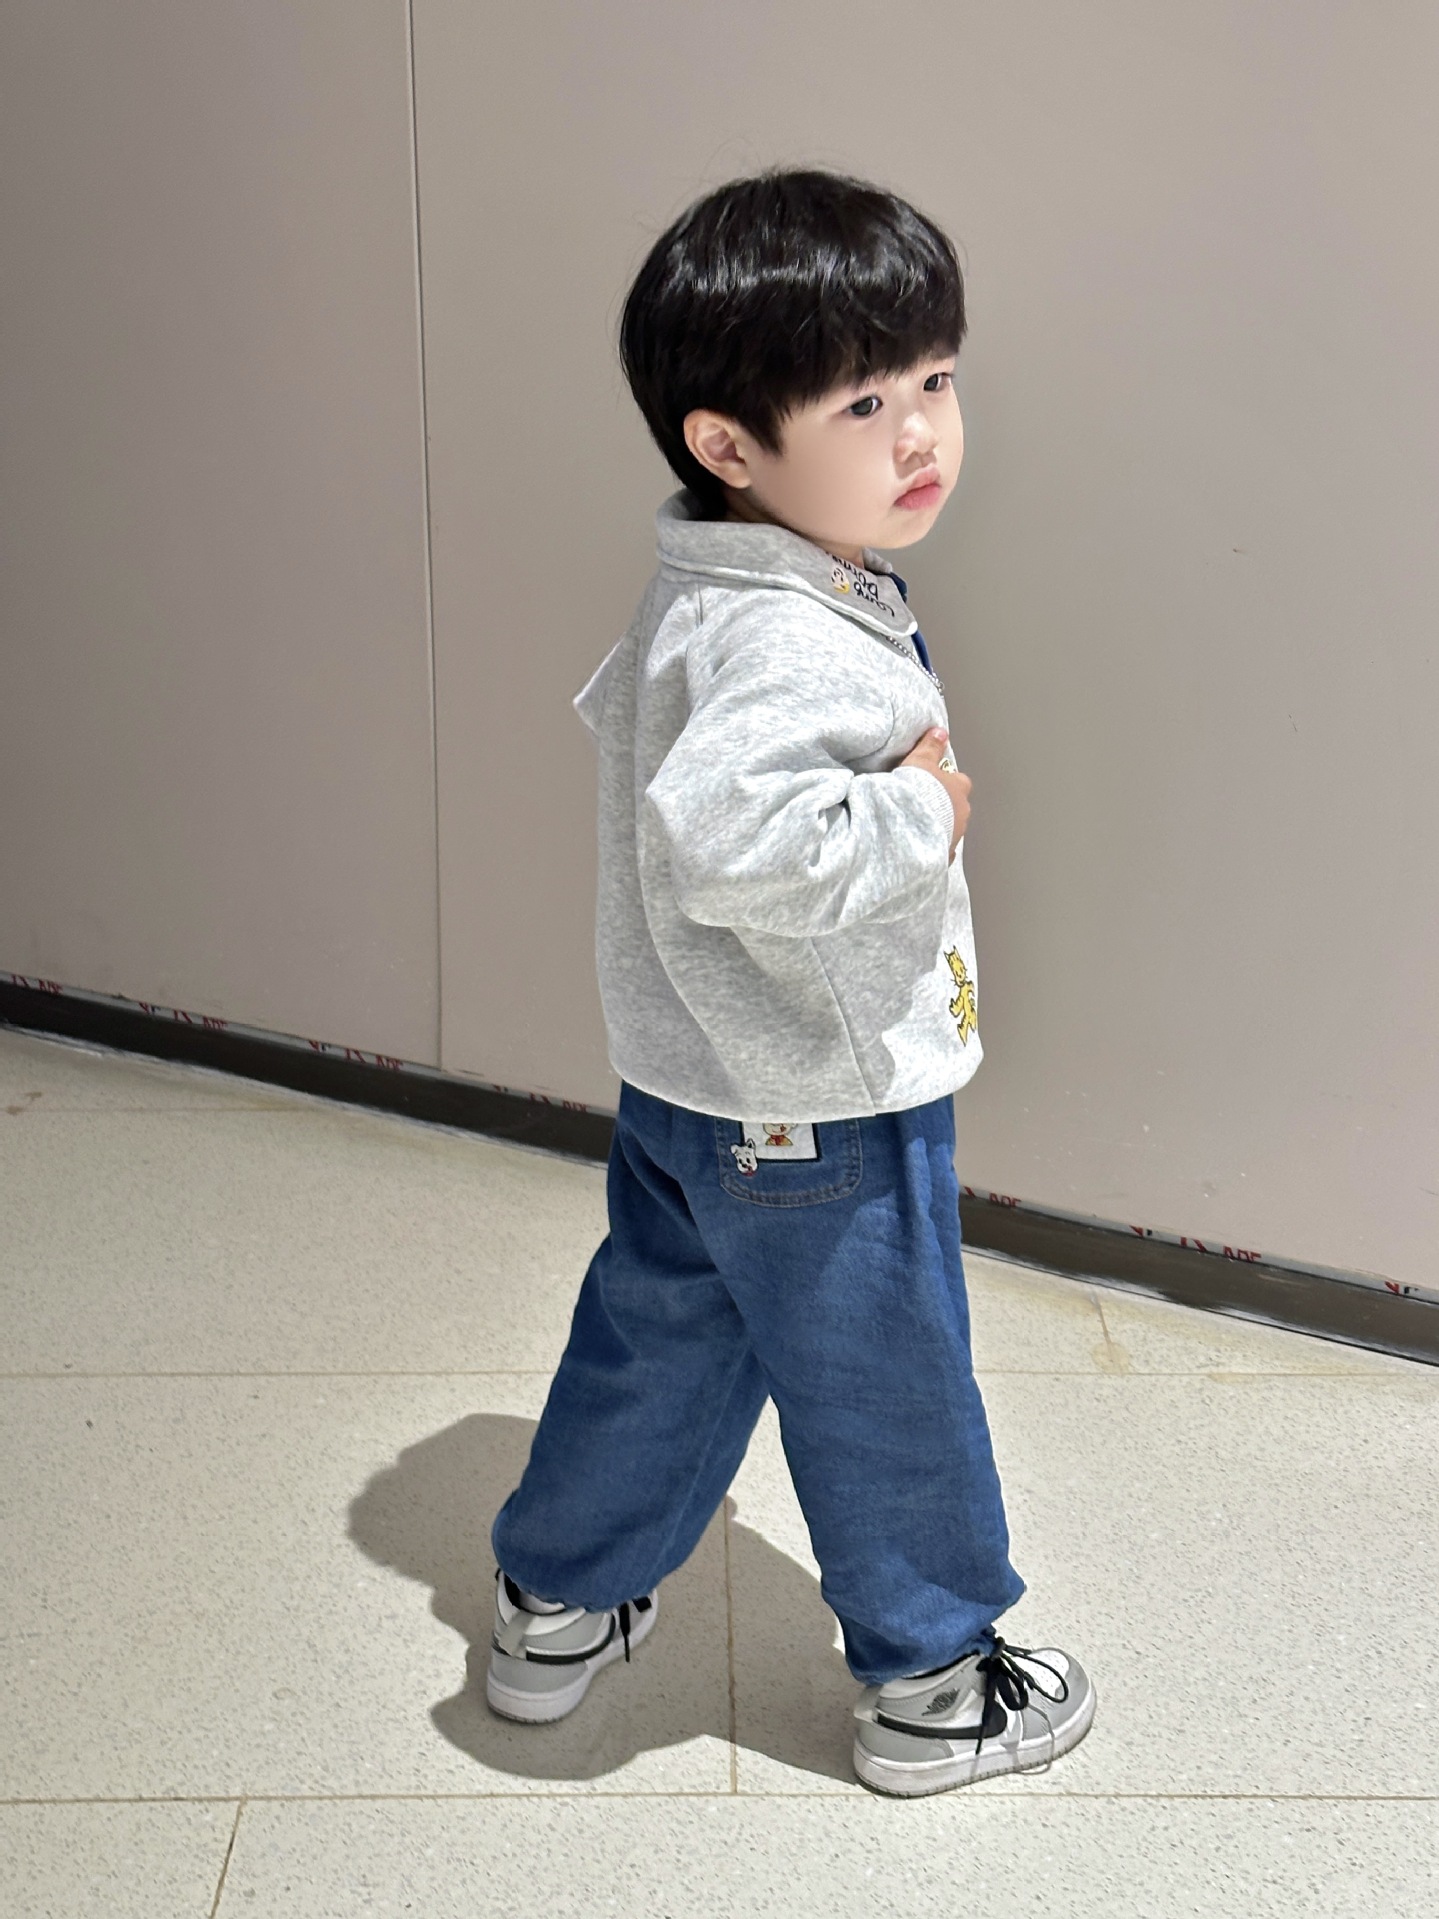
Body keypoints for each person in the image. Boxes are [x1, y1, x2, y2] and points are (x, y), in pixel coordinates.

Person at [486, 166, 1095, 1797]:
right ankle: (936, 1685)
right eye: (864, 403)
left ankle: (558, 1601)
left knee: (663, 1337)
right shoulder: (788, 635)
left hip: (694, 1083)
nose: (922, 436)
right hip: (818, 1103)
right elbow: (734, 846)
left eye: (936, 380)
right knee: (885, 1377)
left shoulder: (717, 579)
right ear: (728, 445)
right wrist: (922, 814)